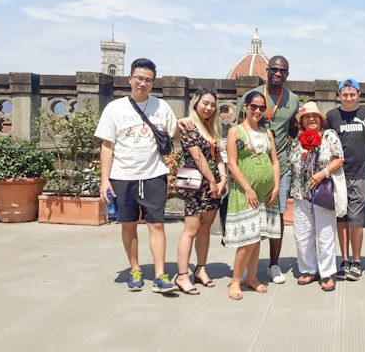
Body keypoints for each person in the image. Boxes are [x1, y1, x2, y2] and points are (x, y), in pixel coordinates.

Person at [95, 58, 178, 293]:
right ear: (130, 79)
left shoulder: (161, 107)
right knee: (129, 224)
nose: (143, 83)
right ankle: (135, 269)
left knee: (156, 224)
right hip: (123, 175)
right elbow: (107, 146)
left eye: (148, 80)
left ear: (153, 83)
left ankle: (160, 274)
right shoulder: (115, 108)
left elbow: (176, 135)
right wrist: (105, 180)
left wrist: (188, 123)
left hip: (153, 174)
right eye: (139, 78)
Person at [238, 56, 299, 285]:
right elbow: (238, 125)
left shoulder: (292, 100)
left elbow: (295, 128)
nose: (278, 74)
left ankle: (273, 264)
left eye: (283, 71)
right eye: (274, 69)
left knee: (277, 216)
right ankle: (245, 265)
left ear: (287, 74)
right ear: (267, 70)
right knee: (250, 215)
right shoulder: (251, 95)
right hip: (251, 165)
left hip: (279, 165)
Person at [225, 91, 281, 300]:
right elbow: (232, 163)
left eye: (261, 108)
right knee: (248, 238)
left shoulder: (267, 133)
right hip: (245, 192)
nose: (257, 111)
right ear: (246, 107)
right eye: (254, 107)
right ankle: (236, 280)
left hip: (265, 193)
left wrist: (275, 186)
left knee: (257, 238)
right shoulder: (235, 132)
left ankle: (253, 277)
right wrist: (248, 188)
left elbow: (274, 160)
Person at [174, 87, 227, 295]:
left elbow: (218, 157)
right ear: (196, 103)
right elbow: (198, 158)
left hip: (213, 184)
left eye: (213, 104)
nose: (209, 108)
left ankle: (201, 269)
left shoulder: (212, 127)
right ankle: (182, 275)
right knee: (191, 229)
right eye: (205, 103)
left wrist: (223, 180)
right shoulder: (190, 126)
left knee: (205, 228)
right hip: (195, 183)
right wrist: (213, 181)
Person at [325, 79, 365, 281]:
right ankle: (344, 259)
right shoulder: (332, 116)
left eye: (352, 94)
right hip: (338, 175)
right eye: (344, 94)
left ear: (359, 94)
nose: (348, 98)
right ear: (339, 95)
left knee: (356, 221)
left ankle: (356, 260)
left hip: (361, 174)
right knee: (341, 218)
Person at [289, 102, 345, 291]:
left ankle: (327, 272)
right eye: (307, 117)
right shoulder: (297, 139)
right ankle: (308, 269)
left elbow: (338, 159)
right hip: (301, 191)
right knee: (302, 234)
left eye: (315, 116)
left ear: (320, 120)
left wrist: (323, 174)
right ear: (302, 121)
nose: (311, 119)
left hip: (322, 191)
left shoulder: (329, 136)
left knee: (325, 234)